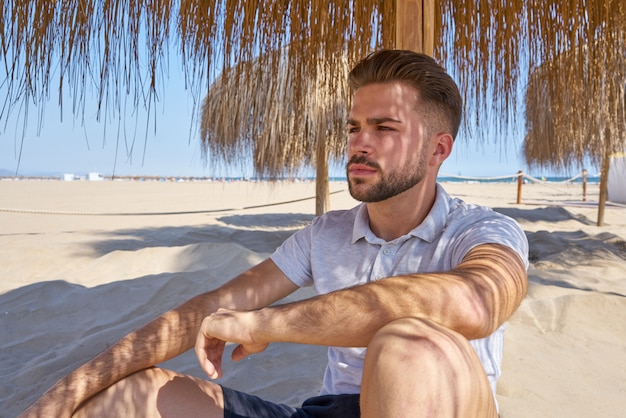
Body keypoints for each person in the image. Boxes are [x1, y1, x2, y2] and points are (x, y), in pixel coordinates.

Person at [20, 49, 528, 418]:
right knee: (129, 399)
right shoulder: (325, 235)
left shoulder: (481, 231)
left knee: (408, 344)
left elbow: (475, 302)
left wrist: (264, 325)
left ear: (439, 150)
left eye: (384, 128)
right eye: (353, 127)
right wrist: (64, 396)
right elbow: (211, 305)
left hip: (441, 405)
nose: (358, 144)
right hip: (328, 412)